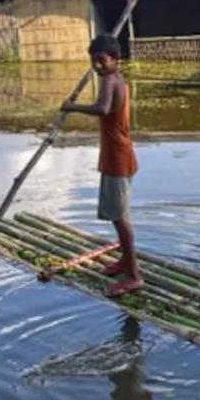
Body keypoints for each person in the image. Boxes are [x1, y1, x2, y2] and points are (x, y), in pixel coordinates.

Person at [62, 34, 143, 297]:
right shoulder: (116, 78)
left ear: (115, 60)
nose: (97, 66)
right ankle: (124, 262)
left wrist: (72, 107)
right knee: (121, 216)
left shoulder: (110, 80)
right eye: (93, 61)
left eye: (101, 61)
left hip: (118, 158)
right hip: (118, 155)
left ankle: (133, 276)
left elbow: (103, 108)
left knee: (120, 219)